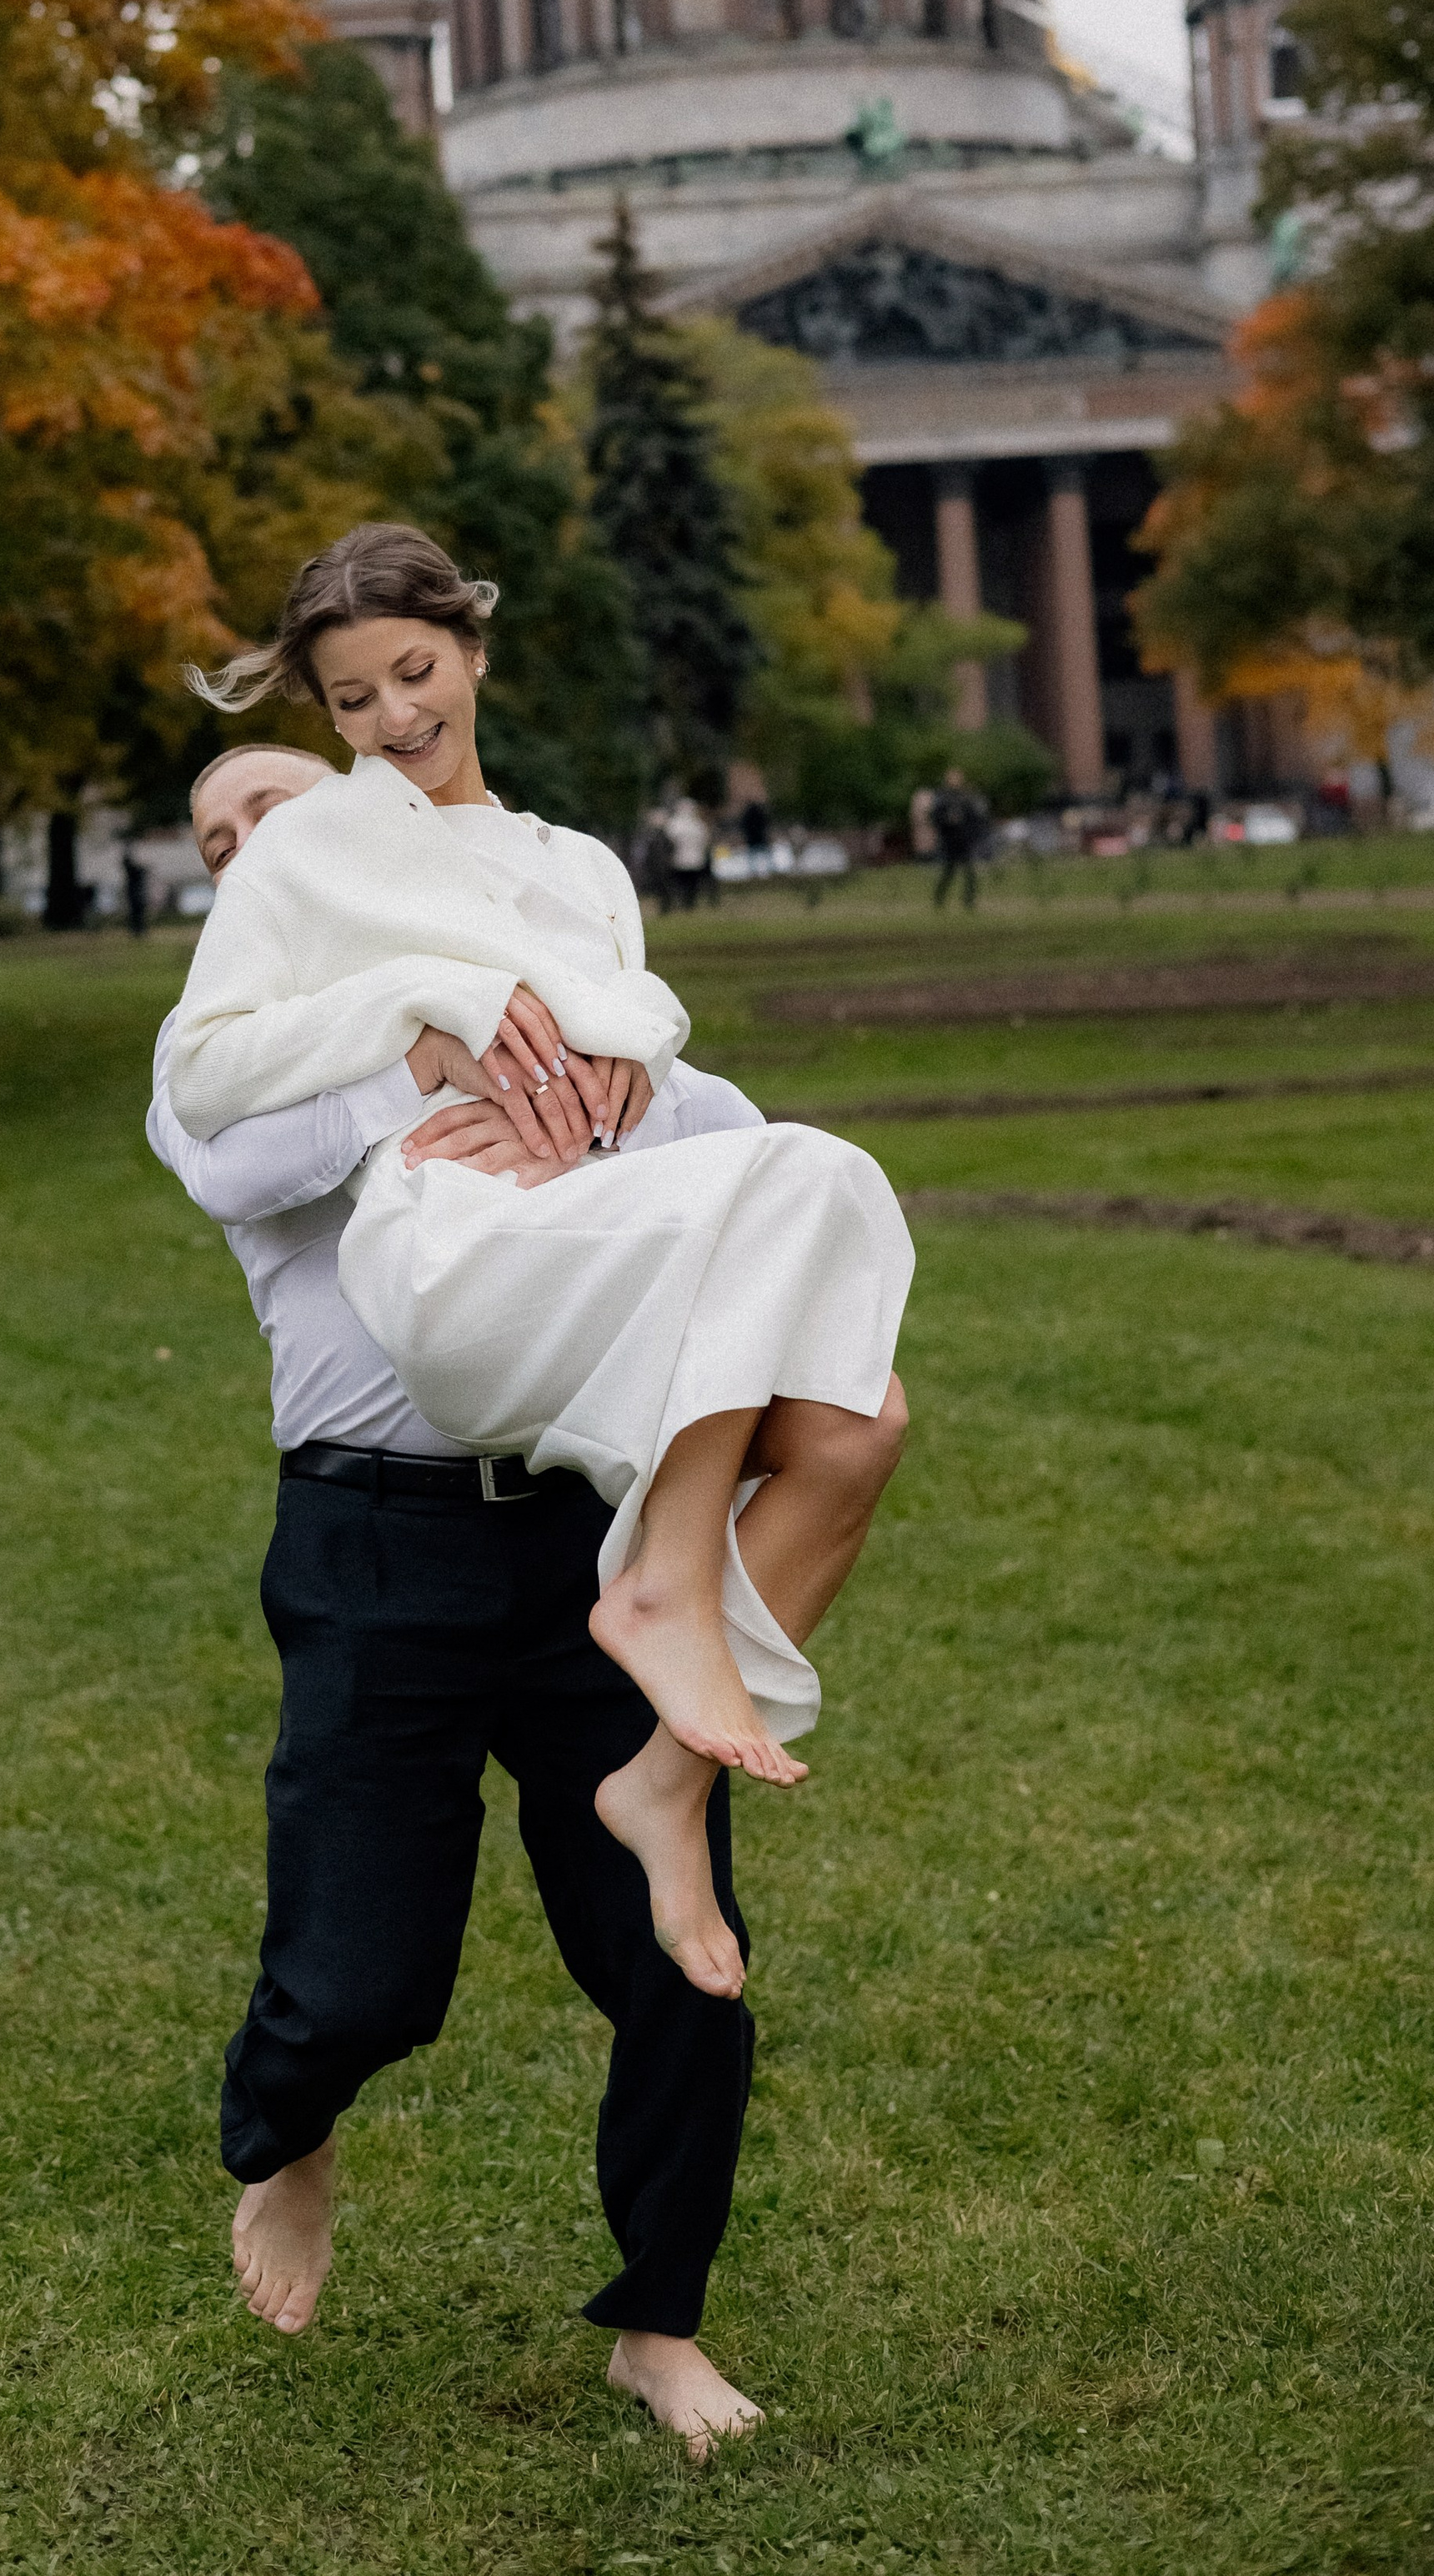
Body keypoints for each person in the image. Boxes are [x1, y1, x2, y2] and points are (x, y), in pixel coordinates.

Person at [153, 741, 909, 2450]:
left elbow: (714, 1127)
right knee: (356, 1979)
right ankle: (288, 2131)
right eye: (221, 839)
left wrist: (601, 1081)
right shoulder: (222, 1054)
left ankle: (659, 2322)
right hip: (370, 1549)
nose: (261, 845)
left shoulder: (552, 980)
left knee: (675, 1957)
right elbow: (235, 1163)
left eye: (284, 806)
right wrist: (429, 1050)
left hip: (586, 1526)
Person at [168, 526, 915, 1985]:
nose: (395, 716)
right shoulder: (309, 846)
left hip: (578, 1233)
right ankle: (658, 1595)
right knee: (812, 1176)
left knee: (860, 1410)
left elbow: (635, 1017)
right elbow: (204, 1074)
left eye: (415, 671)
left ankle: (665, 1776)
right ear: (323, 720)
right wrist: (414, 1017)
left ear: (471, 653)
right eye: (355, 698)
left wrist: (630, 1065)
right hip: (450, 1257)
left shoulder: (577, 864)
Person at [929, 766, 988, 911]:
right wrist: (947, 821)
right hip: (950, 841)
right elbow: (935, 817)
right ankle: (939, 900)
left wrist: (973, 834)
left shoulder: (967, 797)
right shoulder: (943, 797)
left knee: (969, 872)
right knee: (949, 872)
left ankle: (969, 901)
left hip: (965, 840)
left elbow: (976, 818)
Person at [662, 792, 715, 911]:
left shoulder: (675, 824)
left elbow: (669, 840)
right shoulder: (698, 825)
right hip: (694, 860)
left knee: (683, 883)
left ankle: (685, 903)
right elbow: (705, 840)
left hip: (680, 860)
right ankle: (689, 903)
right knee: (691, 884)